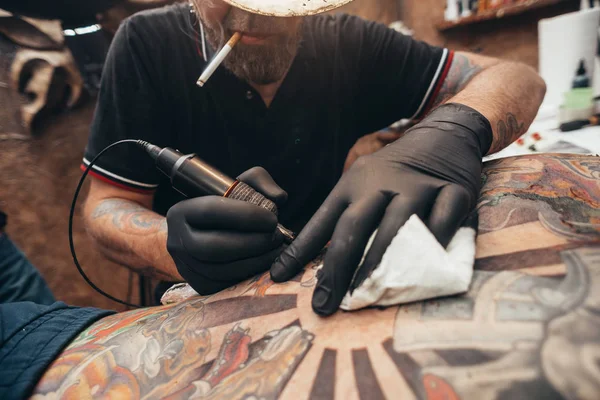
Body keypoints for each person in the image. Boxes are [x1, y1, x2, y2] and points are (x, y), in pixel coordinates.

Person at [81, 0, 546, 315]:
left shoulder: (347, 44)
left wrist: (452, 131)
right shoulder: (146, 44)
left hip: (325, 276)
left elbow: (518, 78)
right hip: (202, 297)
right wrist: (172, 246)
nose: (253, 14)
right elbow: (104, 207)